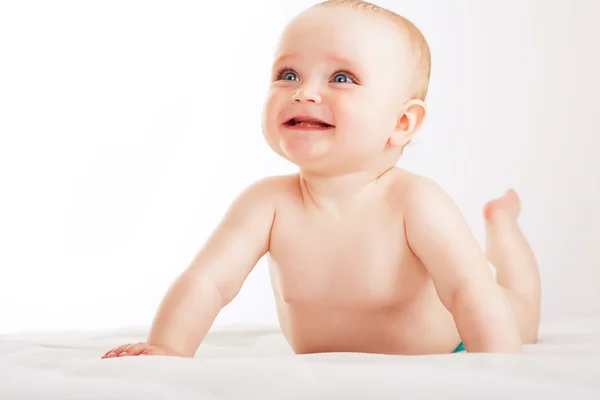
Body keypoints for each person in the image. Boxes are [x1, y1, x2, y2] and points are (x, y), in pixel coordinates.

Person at [102, 0, 541, 359]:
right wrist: (167, 348)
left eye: (341, 78)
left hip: (456, 342)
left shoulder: (415, 201)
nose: (304, 92)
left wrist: (495, 367)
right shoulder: (267, 204)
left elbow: (468, 290)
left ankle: (502, 227)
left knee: (517, 310)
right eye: (287, 74)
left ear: (403, 122)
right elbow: (207, 282)